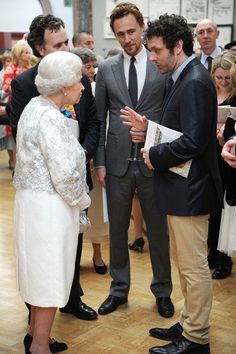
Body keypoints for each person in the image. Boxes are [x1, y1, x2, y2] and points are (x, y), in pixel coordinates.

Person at [120, 13, 223, 354]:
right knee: (187, 264)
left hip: (190, 190)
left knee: (194, 268)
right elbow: (182, 128)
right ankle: (190, 321)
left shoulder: (193, 80)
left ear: (178, 46)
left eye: (156, 50)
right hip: (183, 187)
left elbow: (193, 141)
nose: (151, 57)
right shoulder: (184, 74)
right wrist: (149, 128)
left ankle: (197, 338)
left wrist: (155, 153)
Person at [10, 14, 98, 347]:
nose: (82, 83)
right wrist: (84, 202)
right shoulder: (50, 119)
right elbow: (66, 176)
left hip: (32, 204)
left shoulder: (35, 106)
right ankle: (40, 345)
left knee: (36, 269)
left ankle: (35, 334)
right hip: (49, 209)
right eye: (78, 79)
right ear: (64, 87)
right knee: (47, 274)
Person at [94, 2, 173, 318]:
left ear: (142, 26)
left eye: (131, 31)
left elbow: (171, 113)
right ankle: (118, 290)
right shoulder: (107, 68)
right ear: (114, 36)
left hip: (154, 159)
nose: (127, 39)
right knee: (117, 232)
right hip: (116, 163)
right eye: (120, 34)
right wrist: (99, 161)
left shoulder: (161, 64)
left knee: (157, 230)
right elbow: (100, 120)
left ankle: (163, 292)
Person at [72, 46, 108, 274]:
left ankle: (98, 254)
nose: (92, 70)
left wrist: (91, 154)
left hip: (91, 159)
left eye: (93, 66)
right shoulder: (72, 88)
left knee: (94, 212)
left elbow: (97, 123)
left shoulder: (93, 87)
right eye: (88, 66)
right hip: (73, 163)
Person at [207, 51, 235, 278]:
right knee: (212, 207)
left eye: (227, 78)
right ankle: (212, 252)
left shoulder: (234, 99)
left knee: (225, 209)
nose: (223, 82)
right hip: (210, 156)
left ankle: (224, 259)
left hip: (227, 157)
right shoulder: (208, 94)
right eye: (219, 78)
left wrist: (223, 137)